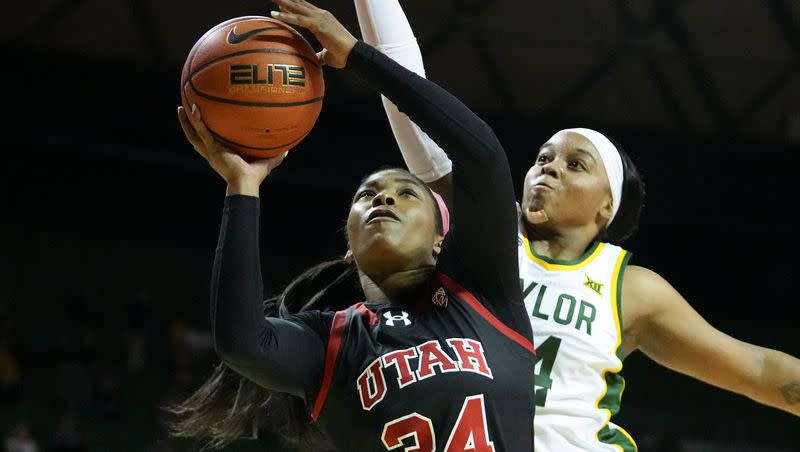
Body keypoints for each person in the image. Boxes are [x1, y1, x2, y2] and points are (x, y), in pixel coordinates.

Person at [352, 0, 800, 450]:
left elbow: (756, 369)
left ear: (606, 207)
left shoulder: (629, 289)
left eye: (576, 164)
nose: (550, 168)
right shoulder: (488, 234)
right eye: (543, 158)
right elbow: (411, 100)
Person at [169, 0, 536, 450]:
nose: (383, 197)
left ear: (442, 241)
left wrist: (360, 56)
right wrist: (242, 187)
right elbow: (242, 342)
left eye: (407, 193)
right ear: (349, 245)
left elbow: (483, 157)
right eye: (367, 195)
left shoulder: (484, 295)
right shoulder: (333, 342)